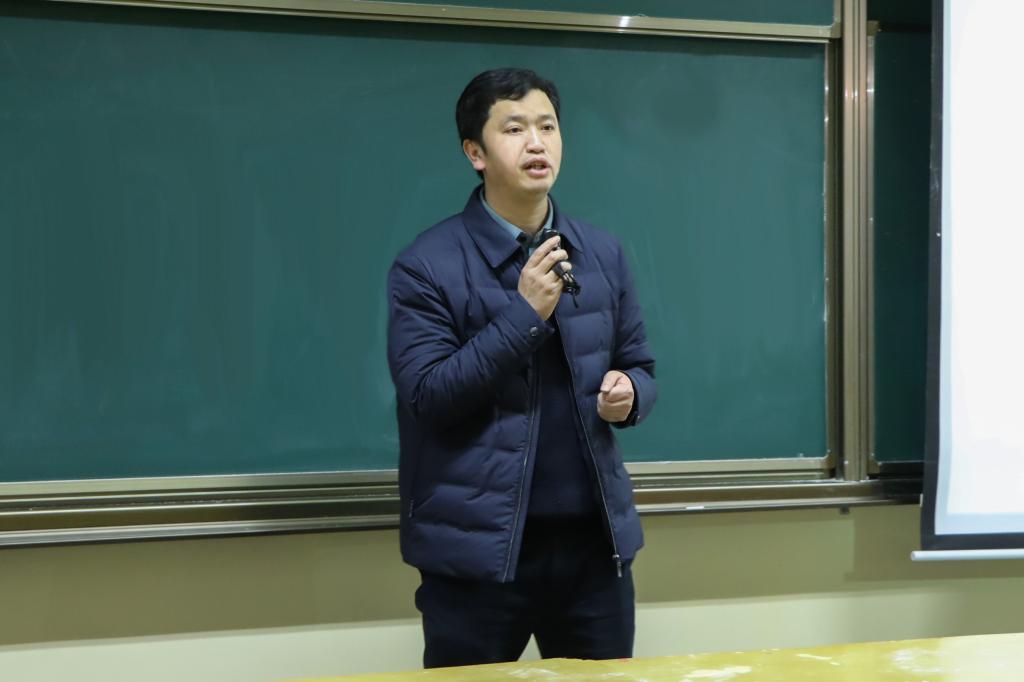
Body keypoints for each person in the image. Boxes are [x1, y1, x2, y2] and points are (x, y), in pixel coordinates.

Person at [386, 67, 657, 669]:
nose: (537, 143)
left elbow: (639, 364)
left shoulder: (602, 253)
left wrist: (630, 393)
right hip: (478, 557)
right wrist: (524, 315)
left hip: (594, 550)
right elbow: (428, 397)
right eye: (514, 129)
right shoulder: (425, 266)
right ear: (475, 153)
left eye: (547, 127)